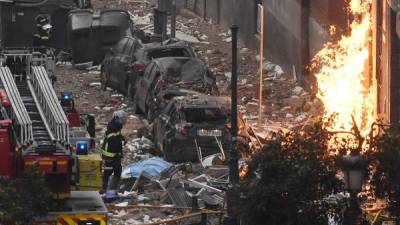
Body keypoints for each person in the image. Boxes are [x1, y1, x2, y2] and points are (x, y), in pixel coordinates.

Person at [100, 110, 127, 193]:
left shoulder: (116, 126)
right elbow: (115, 143)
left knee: (117, 170)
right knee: (109, 171)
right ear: (116, 118)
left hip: (114, 154)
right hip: (110, 155)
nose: (123, 122)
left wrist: (122, 138)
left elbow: (118, 134)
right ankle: (105, 189)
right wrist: (121, 142)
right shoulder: (113, 128)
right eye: (122, 120)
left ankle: (112, 189)